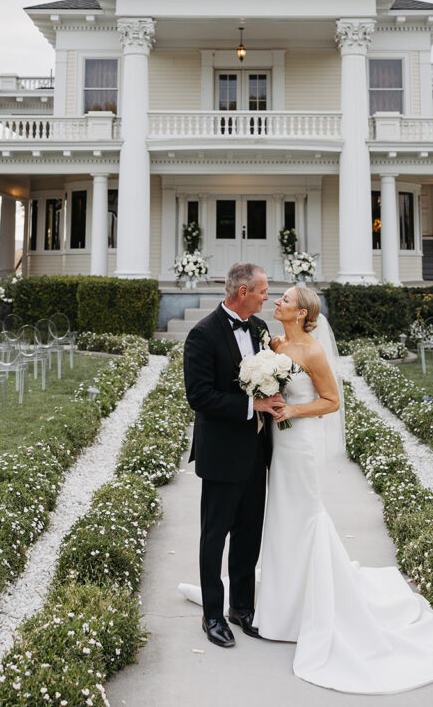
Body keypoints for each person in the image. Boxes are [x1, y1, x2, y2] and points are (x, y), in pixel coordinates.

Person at [252, 285, 433, 693]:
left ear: (300, 313)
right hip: (280, 443)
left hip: (302, 442)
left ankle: (308, 606)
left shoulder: (313, 351)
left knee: (305, 516)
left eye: (285, 300)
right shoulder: (273, 342)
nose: (277, 302)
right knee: (281, 517)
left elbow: (331, 400)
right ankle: (281, 607)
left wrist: (293, 408)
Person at [183, 262, 284, 649]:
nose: (266, 297)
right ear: (243, 293)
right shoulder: (202, 334)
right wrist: (253, 405)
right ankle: (212, 614)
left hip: (256, 452)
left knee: (248, 534)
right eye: (262, 291)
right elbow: (200, 396)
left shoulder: (259, 329)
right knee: (215, 537)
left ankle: (242, 607)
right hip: (222, 454)